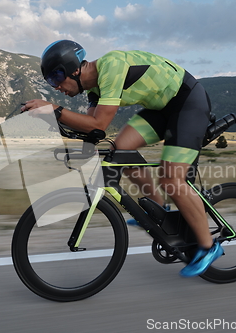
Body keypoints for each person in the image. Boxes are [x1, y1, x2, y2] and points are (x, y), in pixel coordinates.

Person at [22, 40, 223, 277]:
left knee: (171, 179)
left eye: (56, 78)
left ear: (73, 69)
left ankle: (209, 247)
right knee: (118, 151)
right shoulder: (95, 90)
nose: (56, 87)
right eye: (50, 82)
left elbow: (99, 123)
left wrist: (53, 109)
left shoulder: (111, 67)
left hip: (187, 102)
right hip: (162, 110)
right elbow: (92, 131)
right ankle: (158, 209)